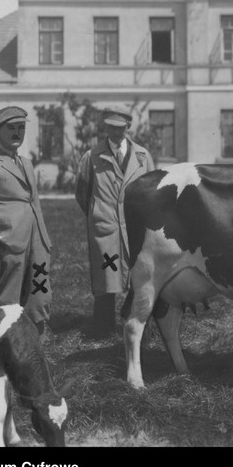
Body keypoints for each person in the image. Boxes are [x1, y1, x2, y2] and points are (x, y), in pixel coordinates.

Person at [0, 106, 52, 335]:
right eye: (11, 128)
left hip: (36, 240)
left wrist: (44, 239)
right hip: (9, 241)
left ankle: (33, 342)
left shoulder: (25, 163)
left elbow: (34, 202)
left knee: (39, 293)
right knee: (6, 298)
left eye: (21, 128)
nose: (17, 133)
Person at [76, 106, 156, 337]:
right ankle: (103, 329)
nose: (116, 132)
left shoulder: (142, 156)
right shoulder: (91, 157)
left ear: (128, 127)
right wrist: (98, 214)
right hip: (106, 230)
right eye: (111, 127)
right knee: (106, 278)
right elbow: (83, 193)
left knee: (140, 276)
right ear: (105, 127)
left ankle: (136, 322)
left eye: (120, 128)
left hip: (136, 229)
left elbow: (152, 191)